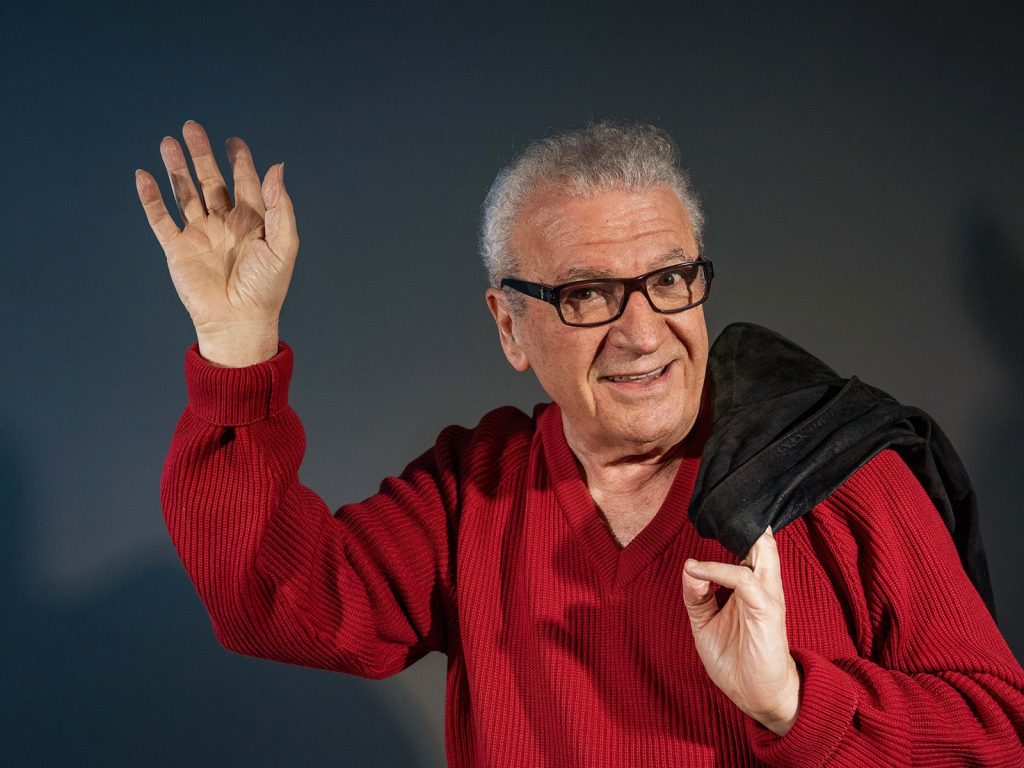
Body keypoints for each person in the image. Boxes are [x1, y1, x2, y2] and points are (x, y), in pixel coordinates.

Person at [137, 120, 1024, 766]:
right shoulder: (474, 491)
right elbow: (272, 597)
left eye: (669, 279)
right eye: (587, 295)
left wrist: (796, 702)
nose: (643, 333)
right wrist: (236, 344)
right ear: (510, 327)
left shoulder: (837, 473)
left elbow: (999, 736)